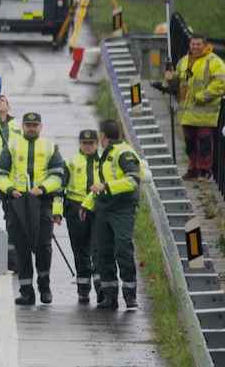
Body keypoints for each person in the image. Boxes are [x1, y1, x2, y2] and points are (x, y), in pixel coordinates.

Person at [0, 112, 64, 306]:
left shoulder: (50, 147)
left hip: (41, 202)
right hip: (17, 203)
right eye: (28, 125)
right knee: (22, 248)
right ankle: (26, 291)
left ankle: (45, 287)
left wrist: (42, 188)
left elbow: (58, 175)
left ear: (40, 127)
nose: (31, 128)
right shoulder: (12, 145)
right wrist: (9, 188)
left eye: (35, 125)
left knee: (43, 246)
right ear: (23, 126)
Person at [84, 119, 144, 311]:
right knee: (103, 253)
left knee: (123, 249)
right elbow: (100, 186)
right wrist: (87, 205)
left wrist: (107, 187)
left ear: (103, 136)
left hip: (121, 209)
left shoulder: (124, 153)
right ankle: (110, 297)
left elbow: (133, 180)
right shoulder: (106, 155)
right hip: (103, 208)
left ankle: (130, 296)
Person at [159, 34, 225, 180]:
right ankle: (192, 169)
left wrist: (201, 96)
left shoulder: (214, 61)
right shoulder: (184, 60)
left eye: (198, 44)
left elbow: (221, 84)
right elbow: (178, 81)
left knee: (204, 142)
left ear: (205, 45)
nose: (195, 47)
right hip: (187, 111)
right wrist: (168, 80)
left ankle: (204, 170)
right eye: (193, 44)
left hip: (205, 112)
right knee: (189, 144)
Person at [61, 129, 102, 304]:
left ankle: (102, 289)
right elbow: (60, 188)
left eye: (91, 143)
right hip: (75, 207)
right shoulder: (71, 161)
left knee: (99, 249)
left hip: (97, 207)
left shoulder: (104, 162)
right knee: (80, 249)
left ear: (97, 144)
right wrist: (56, 211)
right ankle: (83, 288)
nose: (87, 147)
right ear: (80, 144)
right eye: (84, 143)